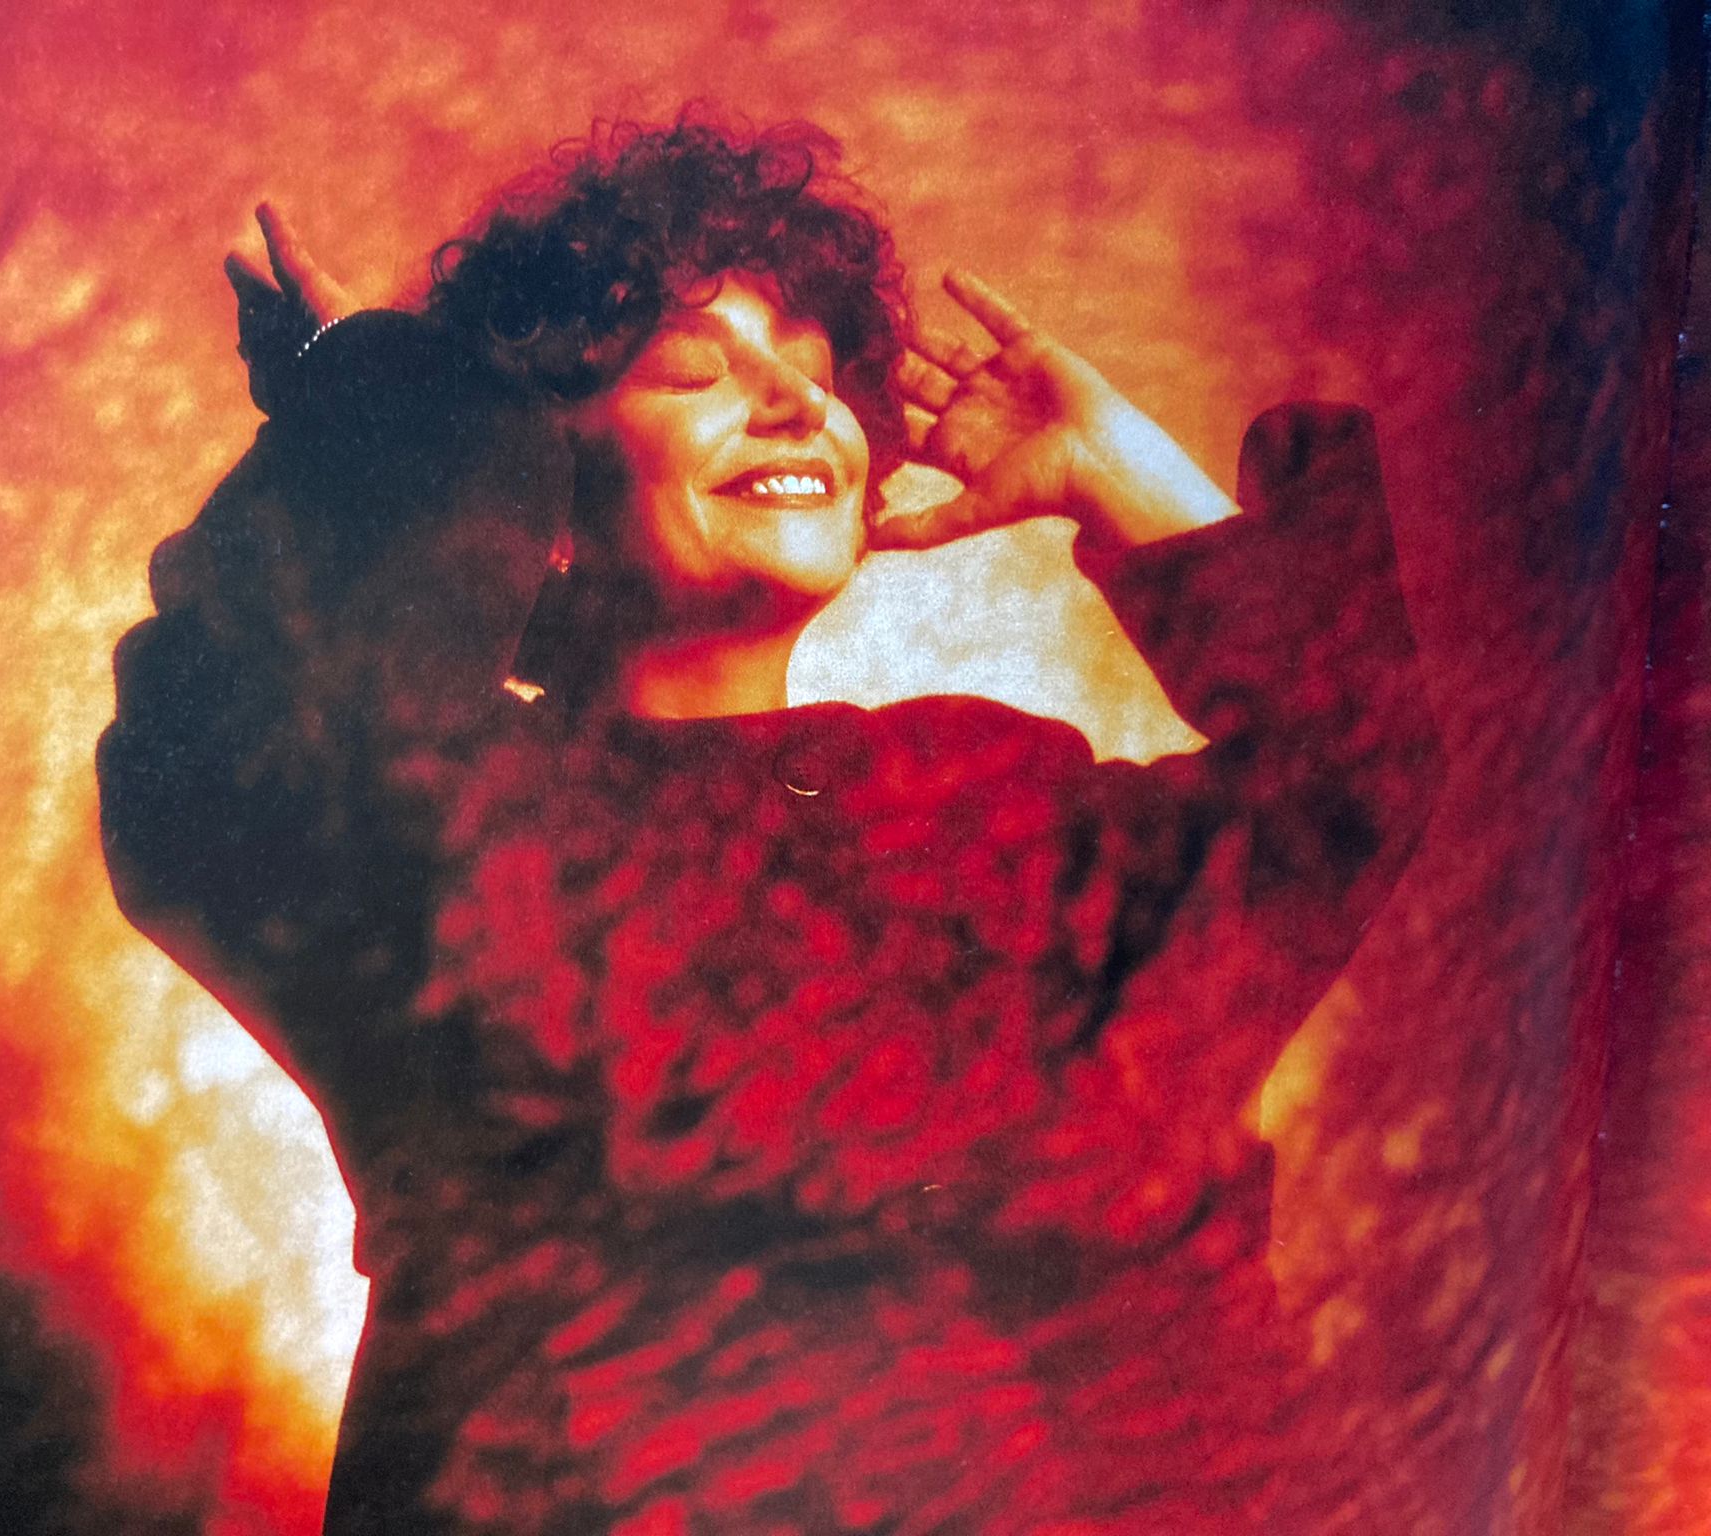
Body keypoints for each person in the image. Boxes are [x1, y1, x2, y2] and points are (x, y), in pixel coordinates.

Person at [99, 117, 1443, 1534]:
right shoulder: (429, 830)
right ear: (540, 495)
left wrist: (1109, 467)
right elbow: (212, 762)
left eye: (814, 365)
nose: (796, 401)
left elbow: (1344, 783)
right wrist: (393, 424)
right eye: (695, 369)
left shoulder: (989, 798)